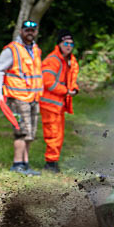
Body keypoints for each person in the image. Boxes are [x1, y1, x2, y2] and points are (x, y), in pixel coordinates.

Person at [0, 19, 43, 176]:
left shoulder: (36, 50)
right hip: (18, 97)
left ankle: (25, 164)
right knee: (21, 132)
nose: (30, 32)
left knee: (30, 134)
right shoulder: (12, 50)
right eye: (27, 29)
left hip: (33, 97)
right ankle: (17, 164)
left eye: (33, 30)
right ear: (21, 31)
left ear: (36, 32)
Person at [39, 29, 79, 173]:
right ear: (60, 44)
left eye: (71, 44)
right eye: (66, 43)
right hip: (49, 103)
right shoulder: (52, 60)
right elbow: (48, 82)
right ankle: (50, 164)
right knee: (52, 134)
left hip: (59, 104)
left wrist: (74, 88)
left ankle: (53, 162)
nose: (69, 46)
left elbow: (70, 80)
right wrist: (66, 91)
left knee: (59, 134)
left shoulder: (69, 61)